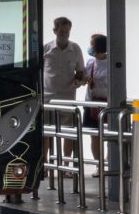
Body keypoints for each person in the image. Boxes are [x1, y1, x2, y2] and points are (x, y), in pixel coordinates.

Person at [42, 17, 87, 157]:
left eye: (67, 31)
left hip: (67, 98)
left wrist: (80, 81)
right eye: (61, 31)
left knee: (68, 133)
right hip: (47, 98)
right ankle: (45, 165)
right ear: (54, 31)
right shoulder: (46, 48)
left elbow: (80, 71)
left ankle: (66, 165)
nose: (65, 34)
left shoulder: (75, 49)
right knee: (45, 133)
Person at [83, 33, 110, 174]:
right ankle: (99, 165)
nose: (90, 47)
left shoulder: (111, 63)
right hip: (91, 103)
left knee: (110, 135)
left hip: (107, 105)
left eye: (92, 44)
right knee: (94, 136)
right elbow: (82, 79)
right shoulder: (90, 62)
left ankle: (109, 160)